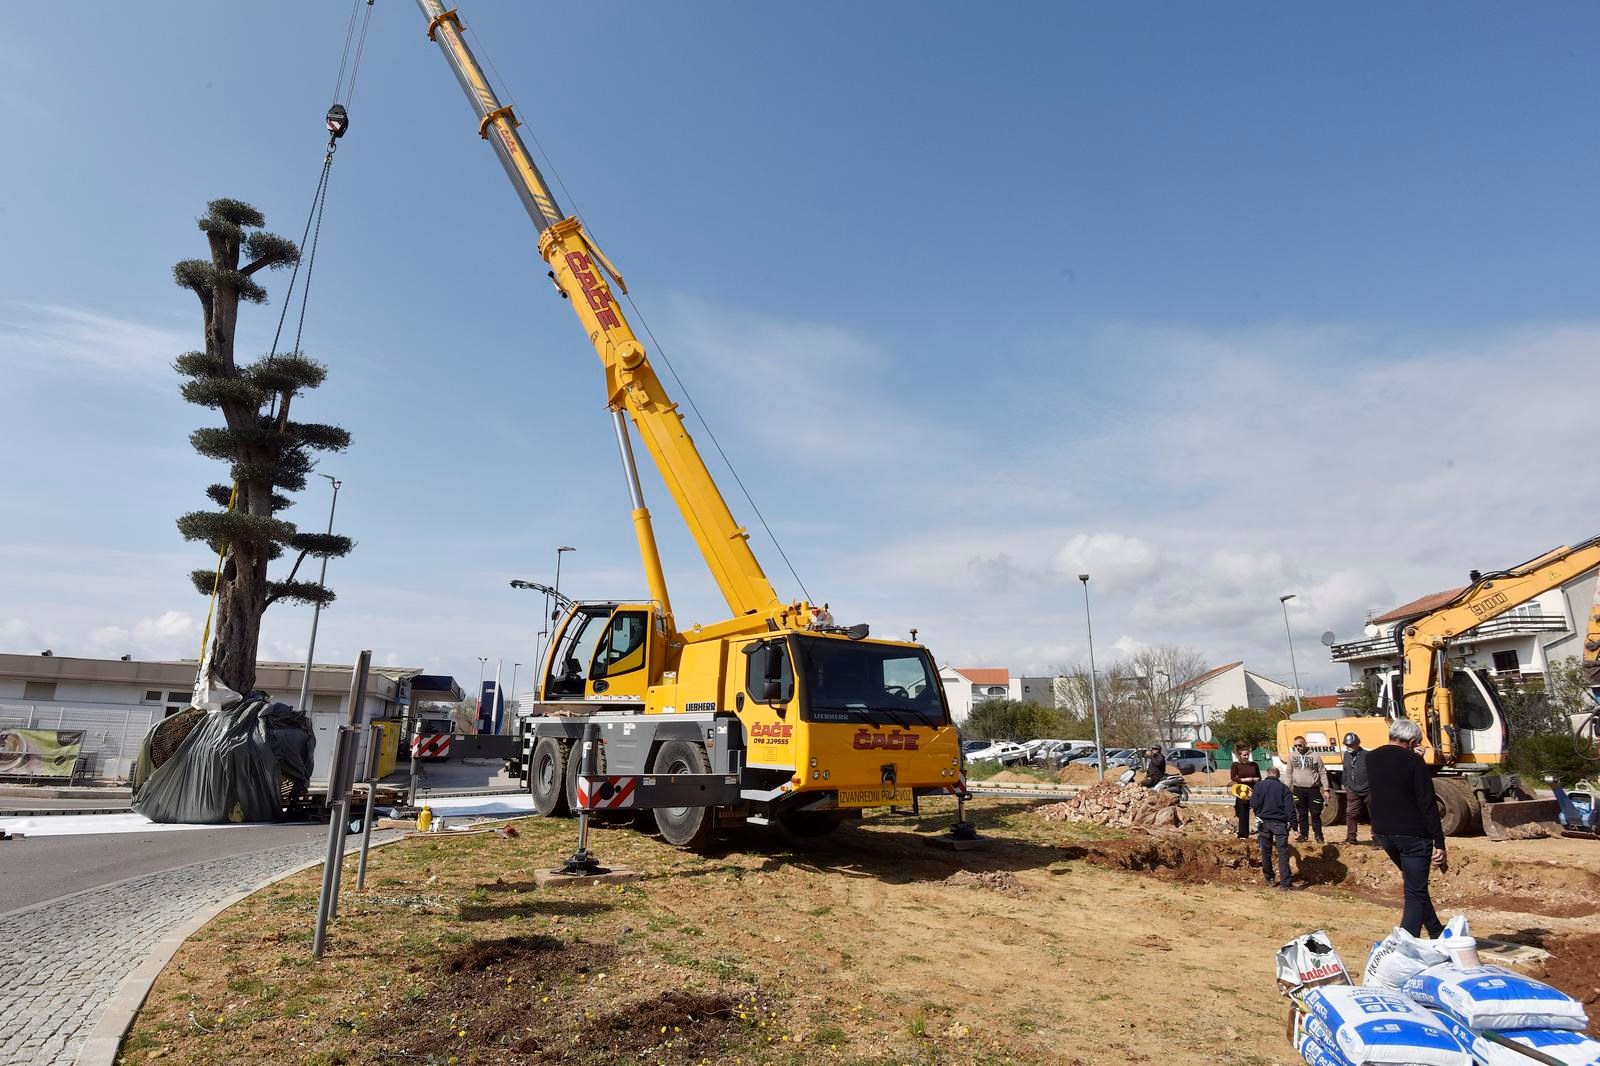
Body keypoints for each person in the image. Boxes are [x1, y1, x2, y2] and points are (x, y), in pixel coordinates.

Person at [1367, 718, 1446, 938]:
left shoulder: (1371, 758)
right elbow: (1427, 802)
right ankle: (1406, 944)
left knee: (1415, 886)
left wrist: (1413, 758)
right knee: (1414, 892)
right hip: (1412, 834)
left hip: (1383, 832)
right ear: (1412, 742)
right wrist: (1439, 842)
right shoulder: (1414, 762)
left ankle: (1436, 931)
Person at [1250, 766, 1295, 890]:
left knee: (1266, 852)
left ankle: (1269, 878)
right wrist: (1294, 827)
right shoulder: (1284, 788)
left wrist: (1259, 813)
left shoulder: (1258, 786)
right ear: (1278, 775)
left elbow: (1253, 804)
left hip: (1264, 823)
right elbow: (1290, 809)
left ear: (1267, 774)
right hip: (1280, 824)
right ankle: (1285, 883)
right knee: (1283, 853)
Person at [1287, 735, 1331, 843]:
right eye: (1295, 745)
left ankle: (1318, 836)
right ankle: (1304, 835)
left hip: (1313, 789)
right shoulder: (1292, 756)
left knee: (1315, 813)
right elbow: (1289, 772)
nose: (1297, 747)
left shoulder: (1315, 756)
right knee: (1302, 814)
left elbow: (1322, 772)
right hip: (1298, 789)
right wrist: (1286, 788)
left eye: (1300, 745)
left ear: (1305, 744)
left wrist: (1326, 789)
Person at [1341, 732, 1370, 845]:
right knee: (1351, 813)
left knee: (1374, 814)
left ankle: (1377, 839)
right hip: (1353, 789)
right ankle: (1351, 838)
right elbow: (1345, 770)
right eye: (1347, 745)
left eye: (1351, 745)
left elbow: (1375, 772)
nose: (1349, 747)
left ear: (1357, 744)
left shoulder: (1367, 755)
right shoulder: (1346, 755)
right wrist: (1346, 783)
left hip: (1368, 790)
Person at [1230, 742, 1261, 838]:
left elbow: (1259, 777)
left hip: (1254, 790)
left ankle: (1263, 832)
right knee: (1243, 813)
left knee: (1259, 812)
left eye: (1248, 754)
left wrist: (1256, 779)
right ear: (1239, 755)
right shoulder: (1236, 765)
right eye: (1244, 755)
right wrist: (1244, 780)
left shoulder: (1254, 765)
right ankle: (1243, 834)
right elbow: (1233, 778)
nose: (1247, 757)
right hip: (1242, 792)